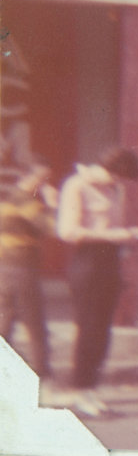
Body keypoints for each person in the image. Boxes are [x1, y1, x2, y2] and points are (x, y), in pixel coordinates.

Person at [56, 147, 138, 417]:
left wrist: (126, 242)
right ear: (113, 170)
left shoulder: (115, 190)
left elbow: (113, 230)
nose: (121, 184)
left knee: (103, 332)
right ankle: (80, 390)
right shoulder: (77, 185)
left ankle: (91, 389)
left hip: (109, 262)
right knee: (89, 329)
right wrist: (118, 235)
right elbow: (68, 231)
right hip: (88, 262)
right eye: (120, 177)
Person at [0, 158, 58, 383]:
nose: (44, 185)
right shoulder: (24, 201)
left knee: (5, 323)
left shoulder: (9, 198)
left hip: (6, 267)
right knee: (35, 326)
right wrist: (53, 203)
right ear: (28, 177)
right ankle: (44, 377)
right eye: (42, 179)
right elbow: (51, 227)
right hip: (21, 269)